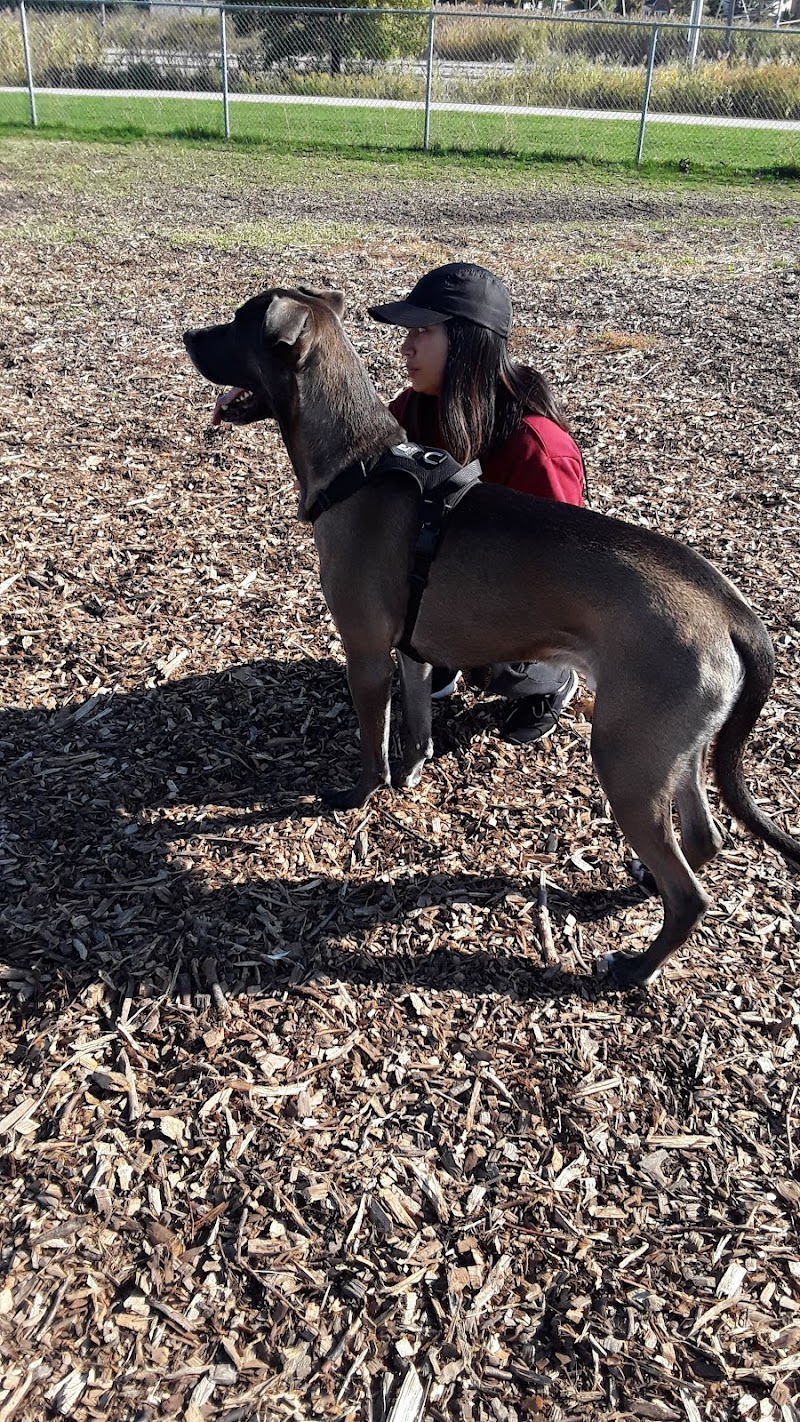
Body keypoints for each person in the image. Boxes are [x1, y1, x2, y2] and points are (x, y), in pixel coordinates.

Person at [368, 262, 585, 745]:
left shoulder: (536, 446)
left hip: (518, 597)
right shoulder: (416, 407)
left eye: (423, 330)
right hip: (443, 574)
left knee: (491, 662)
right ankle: (437, 656)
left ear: (468, 342)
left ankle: (547, 681)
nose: (406, 346)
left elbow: (562, 575)